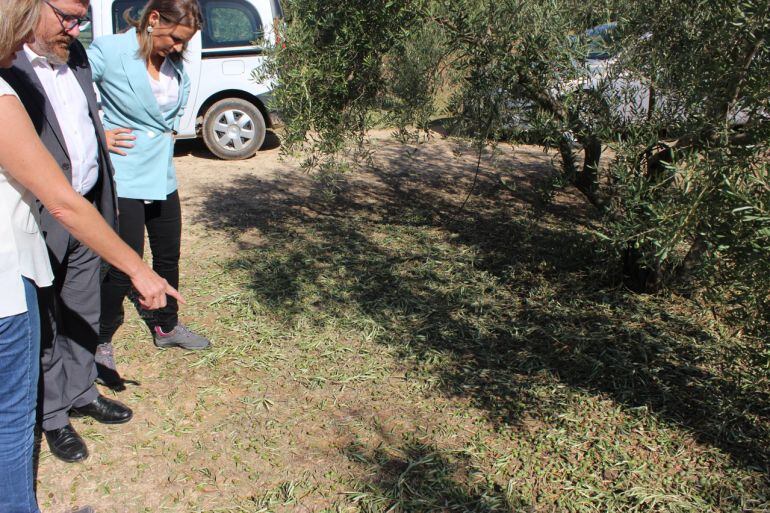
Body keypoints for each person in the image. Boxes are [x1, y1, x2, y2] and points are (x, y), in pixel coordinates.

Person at [0, 0, 181, 509]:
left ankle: (81, 393)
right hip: (39, 218)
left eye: (81, 18)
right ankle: (51, 416)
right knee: (44, 322)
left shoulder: (74, 53)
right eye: (67, 16)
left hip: (88, 204)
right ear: (29, 8)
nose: (76, 28)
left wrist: (101, 140)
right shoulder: (9, 64)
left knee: (83, 307)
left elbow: (81, 117)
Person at [89, 0, 210, 387]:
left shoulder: (173, 63)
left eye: (184, 43)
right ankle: (101, 340)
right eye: (175, 39)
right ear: (153, 19)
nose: (178, 48)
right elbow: (67, 93)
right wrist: (98, 133)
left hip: (162, 173)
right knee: (126, 263)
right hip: (123, 175)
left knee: (168, 254)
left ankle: (167, 326)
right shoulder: (109, 51)